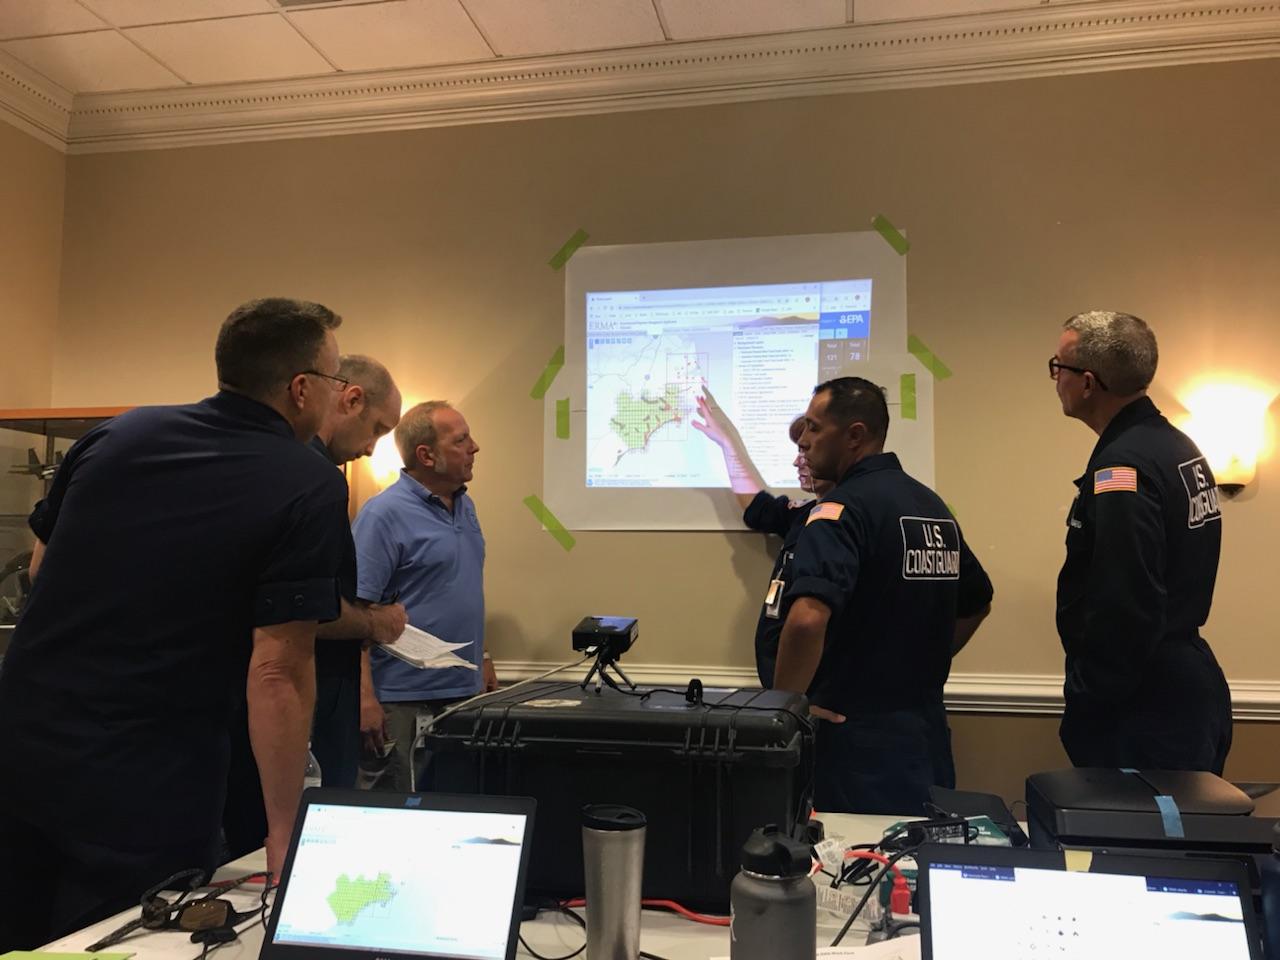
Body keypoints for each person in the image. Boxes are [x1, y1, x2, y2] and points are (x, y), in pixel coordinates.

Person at [0, 298, 351, 949]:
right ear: (301, 389)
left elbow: (43, 569)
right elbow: (277, 669)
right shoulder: (309, 482)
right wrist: (283, 835)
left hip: (20, 742)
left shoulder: (117, 435)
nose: (337, 398)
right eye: (335, 382)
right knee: (129, 940)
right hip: (143, 775)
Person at [773, 376, 993, 815]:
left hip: (854, 742)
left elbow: (806, 619)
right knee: (916, 861)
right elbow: (978, 601)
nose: (806, 439)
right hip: (924, 734)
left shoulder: (840, 511)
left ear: (855, 435)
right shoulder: (929, 505)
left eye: (815, 428)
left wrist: (783, 711)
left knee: (857, 871)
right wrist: (918, 663)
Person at [221, 355, 407, 859]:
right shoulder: (313, 478)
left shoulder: (255, 467)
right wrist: (377, 622)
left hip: (280, 704)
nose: (371, 449)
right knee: (299, 851)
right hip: (299, 706)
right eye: (376, 430)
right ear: (349, 399)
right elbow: (303, 614)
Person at [1051, 310, 1230, 773]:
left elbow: (1125, 600)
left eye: (1058, 367)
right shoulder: (1177, 447)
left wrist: (1089, 698)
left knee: (1140, 843)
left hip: (1144, 703)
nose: (1055, 379)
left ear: (1087, 383)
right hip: (1182, 683)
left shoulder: (1122, 468)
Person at [354, 401, 497, 791]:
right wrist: (364, 698)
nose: (475, 447)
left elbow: (462, 587)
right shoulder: (382, 515)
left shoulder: (465, 506)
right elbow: (357, 614)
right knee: (394, 818)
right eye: (462, 439)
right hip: (399, 700)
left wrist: (482, 657)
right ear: (426, 455)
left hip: (462, 694)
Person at [692, 388, 834, 686]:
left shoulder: (845, 521)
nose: (799, 461)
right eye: (799, 450)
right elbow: (758, 508)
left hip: (816, 694)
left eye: (807, 450)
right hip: (787, 696)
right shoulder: (804, 513)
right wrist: (726, 444)